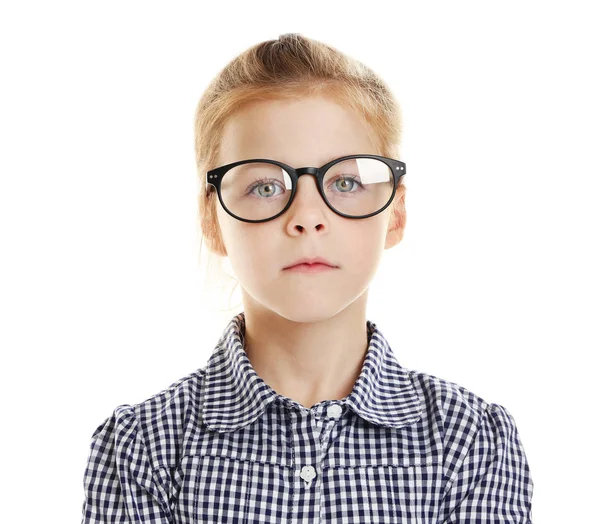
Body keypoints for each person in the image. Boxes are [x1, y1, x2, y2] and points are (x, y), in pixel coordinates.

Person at [81, 33, 534, 523]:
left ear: (396, 213)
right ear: (213, 220)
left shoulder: (471, 442)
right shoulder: (142, 450)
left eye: (345, 182)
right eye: (265, 186)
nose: (307, 218)